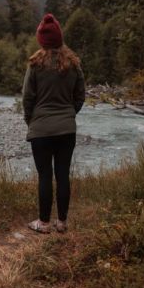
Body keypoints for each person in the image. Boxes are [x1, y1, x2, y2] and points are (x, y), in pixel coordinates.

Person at [22, 13, 85, 234]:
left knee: (45, 176)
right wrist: (69, 114)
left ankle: (44, 223)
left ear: (41, 39)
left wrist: (32, 121)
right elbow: (80, 97)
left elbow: (27, 99)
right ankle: (62, 222)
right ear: (59, 37)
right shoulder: (74, 64)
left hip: (41, 129)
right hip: (66, 129)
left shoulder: (34, 64)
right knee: (63, 174)